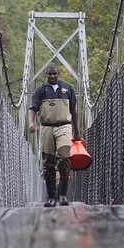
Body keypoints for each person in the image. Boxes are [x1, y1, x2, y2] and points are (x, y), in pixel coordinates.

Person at [28, 64, 80, 207]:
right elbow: (33, 108)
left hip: (64, 126)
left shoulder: (68, 88)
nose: (52, 76)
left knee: (64, 157)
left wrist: (77, 131)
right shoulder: (41, 90)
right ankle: (52, 198)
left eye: (55, 74)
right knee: (48, 162)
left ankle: (62, 195)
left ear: (59, 73)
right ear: (46, 74)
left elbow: (73, 110)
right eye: (50, 74)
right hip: (47, 127)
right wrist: (31, 123)